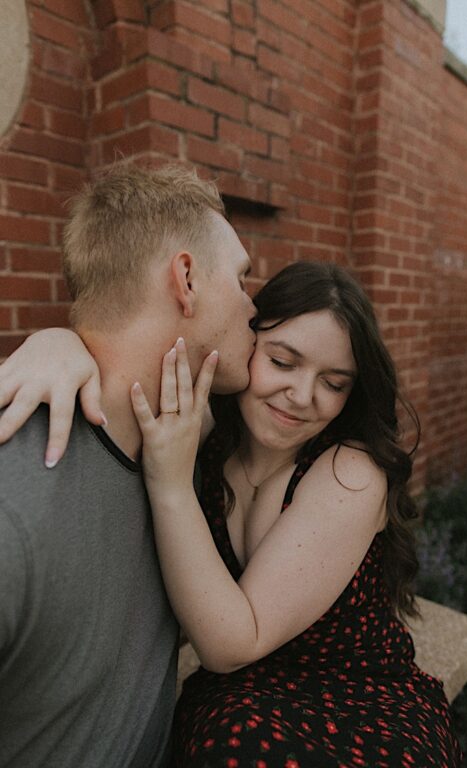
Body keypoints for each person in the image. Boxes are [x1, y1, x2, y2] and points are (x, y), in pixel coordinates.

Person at [2, 262, 461, 765]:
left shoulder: (348, 472)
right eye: (282, 362)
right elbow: (121, 381)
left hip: (361, 700)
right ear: (247, 347)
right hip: (241, 697)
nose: (302, 396)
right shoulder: (208, 435)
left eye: (333, 382)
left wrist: (172, 484)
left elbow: (233, 642)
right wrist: (57, 344)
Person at [0, 161, 258, 766]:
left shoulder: (181, 432)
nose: (254, 308)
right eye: (243, 279)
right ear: (186, 279)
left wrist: (57, 339)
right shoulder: (15, 505)